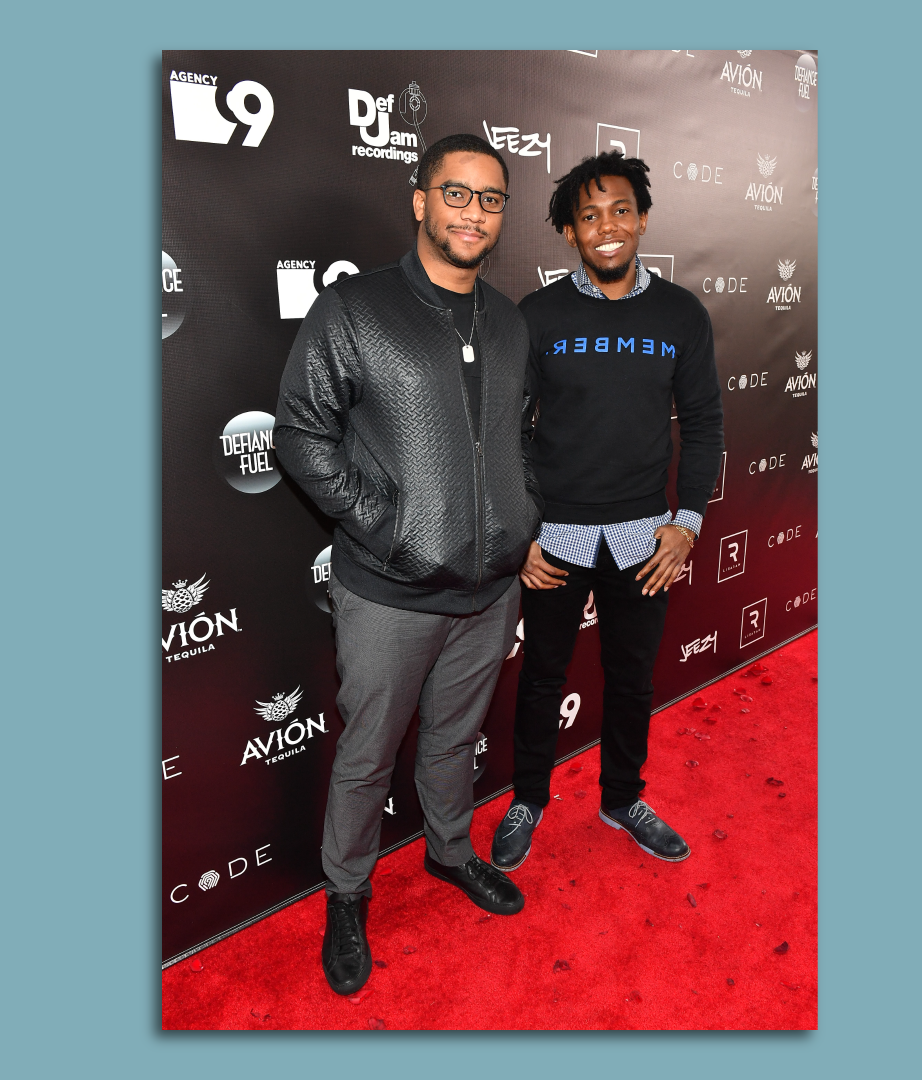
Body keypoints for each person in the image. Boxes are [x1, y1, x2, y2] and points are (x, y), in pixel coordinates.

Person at [275, 133, 540, 997]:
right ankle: (347, 892)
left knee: (454, 739)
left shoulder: (509, 322)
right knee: (367, 754)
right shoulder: (356, 309)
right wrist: (386, 527)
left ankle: (450, 852)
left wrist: (522, 517)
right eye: (456, 193)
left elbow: (520, 439)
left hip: (491, 590)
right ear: (422, 201)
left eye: (491, 198)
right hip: (388, 592)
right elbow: (300, 433)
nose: (474, 212)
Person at [490, 153, 724, 873]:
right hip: (553, 535)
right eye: (588, 216)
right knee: (541, 677)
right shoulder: (538, 315)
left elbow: (705, 423)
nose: (607, 227)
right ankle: (528, 798)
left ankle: (623, 798)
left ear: (642, 219)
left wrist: (688, 522)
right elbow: (503, 431)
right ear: (569, 232)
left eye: (620, 210)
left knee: (632, 678)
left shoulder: (681, 313)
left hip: (643, 537)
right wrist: (520, 532)